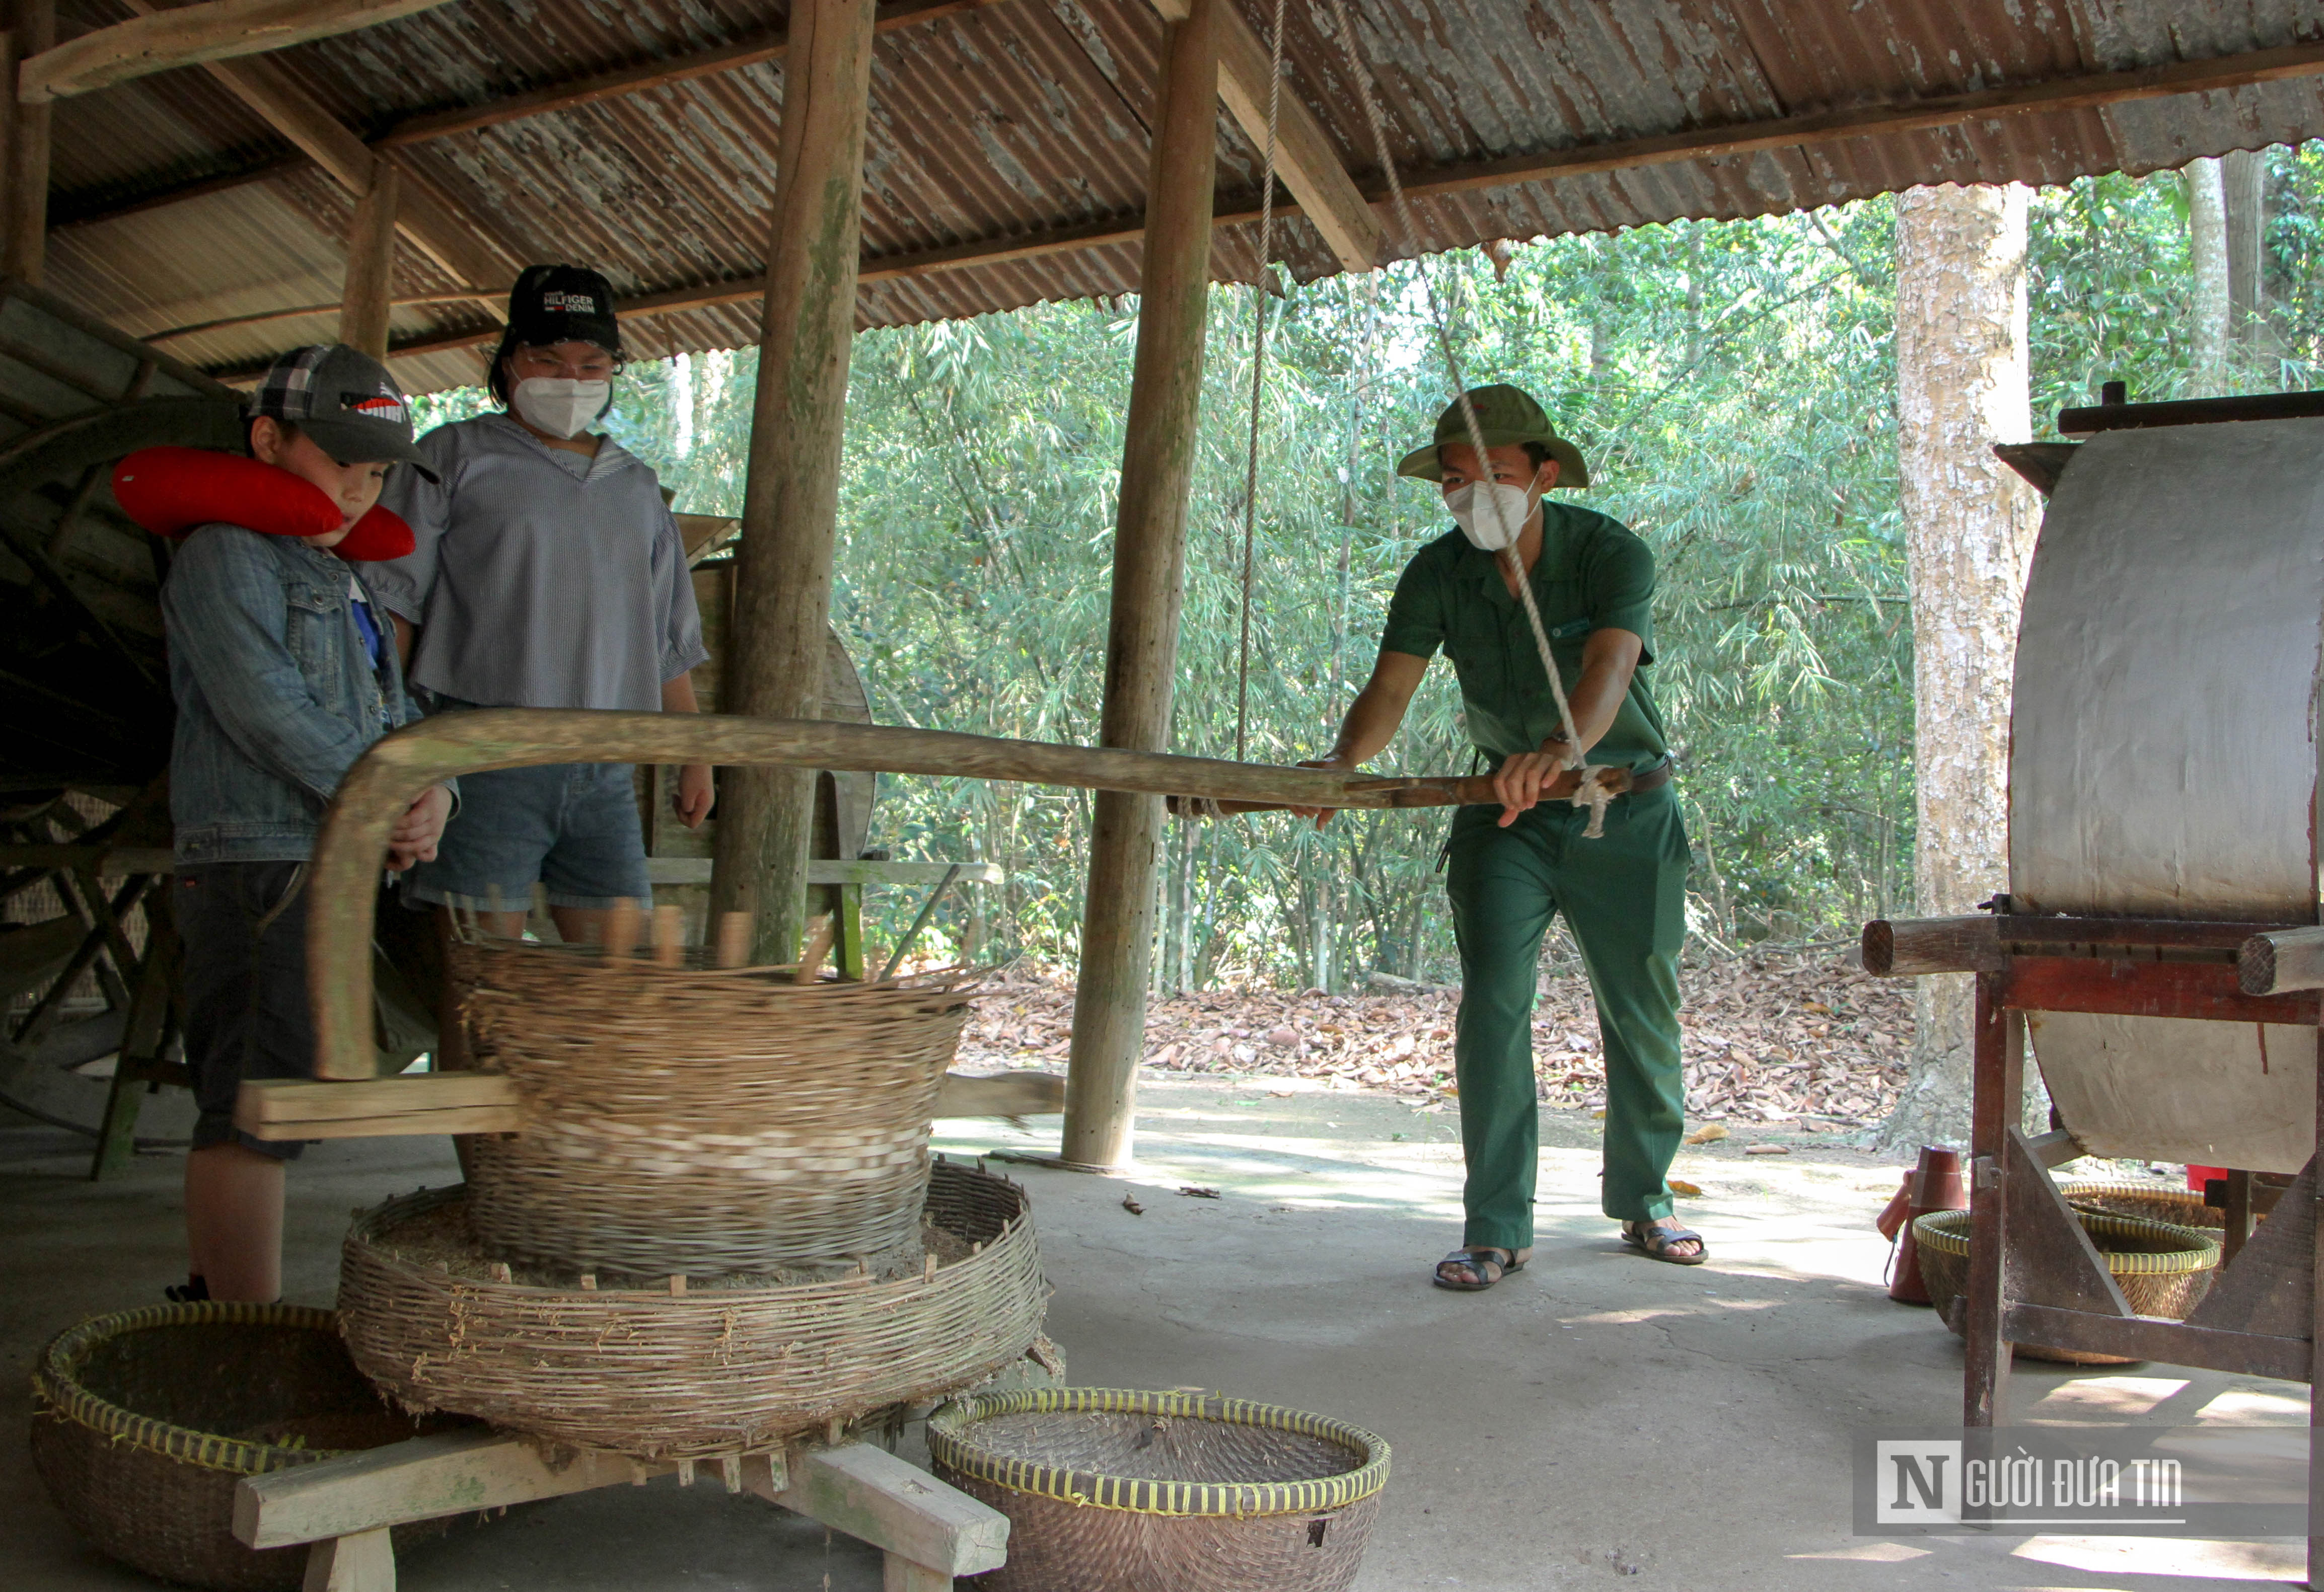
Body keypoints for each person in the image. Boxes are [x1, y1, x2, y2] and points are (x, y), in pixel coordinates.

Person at [1298, 385, 1700, 1290]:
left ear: (1544, 476)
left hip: (1622, 809)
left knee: (1640, 1009)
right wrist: (1340, 761)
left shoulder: (1610, 554)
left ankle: (1646, 1198)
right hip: (1503, 817)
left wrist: (1559, 750)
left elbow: (1609, 668)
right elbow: (1390, 690)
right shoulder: (1437, 572)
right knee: (1492, 1006)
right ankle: (1495, 1227)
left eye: (1499, 477)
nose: (1476, 496)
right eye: (1455, 480)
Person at [161, 345, 453, 1303]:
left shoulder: (347, 577)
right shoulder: (222, 555)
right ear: (267, 440)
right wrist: (381, 792)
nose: (361, 491)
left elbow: (391, 713)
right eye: (341, 465)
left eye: (375, 473)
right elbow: (264, 708)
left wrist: (433, 792)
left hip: (316, 861)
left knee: (273, 1098)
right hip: (256, 862)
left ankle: (216, 1313)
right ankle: (245, 1336)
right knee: (254, 1111)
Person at [364, 264, 712, 946]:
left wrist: (693, 755)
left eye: (590, 364)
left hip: (605, 765)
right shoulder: (452, 457)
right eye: (547, 360)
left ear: (614, 370)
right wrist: (397, 739)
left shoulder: (638, 490)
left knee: (617, 981)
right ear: (507, 363)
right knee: (480, 980)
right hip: (483, 755)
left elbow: (667, 638)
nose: (570, 380)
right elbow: (393, 607)